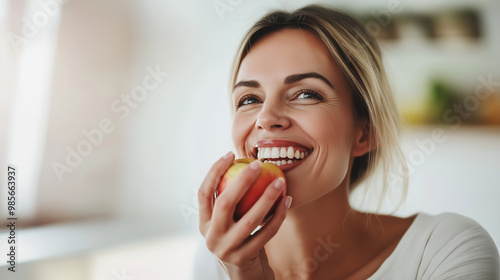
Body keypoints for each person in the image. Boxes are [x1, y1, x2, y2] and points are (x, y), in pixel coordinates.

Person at [193, 4, 499, 280]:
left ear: (364, 133)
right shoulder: (218, 262)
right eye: (249, 98)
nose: (266, 117)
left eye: (306, 94)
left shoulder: (446, 251)